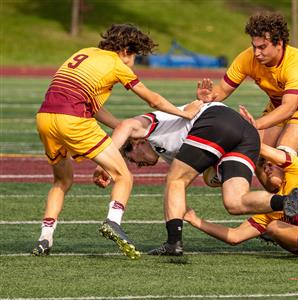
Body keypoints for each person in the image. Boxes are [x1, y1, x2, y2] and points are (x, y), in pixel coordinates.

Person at [32, 23, 203, 259]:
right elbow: (152, 100)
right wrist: (185, 113)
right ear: (125, 50)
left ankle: (45, 237)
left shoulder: (84, 52)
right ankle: (113, 221)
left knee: (62, 181)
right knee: (124, 176)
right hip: (72, 119)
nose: (133, 61)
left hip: (44, 117)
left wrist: (125, 127)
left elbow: (94, 108)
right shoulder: (116, 63)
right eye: (134, 55)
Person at [93, 102, 298, 256]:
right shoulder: (168, 150)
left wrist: (105, 162)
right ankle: (284, 202)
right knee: (235, 202)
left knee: (175, 180)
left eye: (132, 160)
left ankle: (173, 242)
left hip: (217, 119)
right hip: (246, 134)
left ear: (136, 143)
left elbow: (125, 126)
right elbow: (209, 171)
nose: (138, 165)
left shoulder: (148, 126)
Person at [197, 12, 298, 161]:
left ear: (279, 43)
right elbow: (222, 89)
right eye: (254, 47)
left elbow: (289, 107)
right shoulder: (247, 58)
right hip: (278, 105)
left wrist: (257, 124)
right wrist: (210, 96)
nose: (257, 53)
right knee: (256, 156)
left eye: (262, 47)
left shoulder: (296, 62)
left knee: (282, 154)